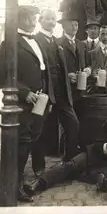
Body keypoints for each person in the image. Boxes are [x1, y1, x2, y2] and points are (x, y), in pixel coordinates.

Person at [24, 96, 107, 195]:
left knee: (105, 176)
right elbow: (98, 142)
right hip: (94, 154)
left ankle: (91, 177)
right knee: (70, 164)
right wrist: (106, 146)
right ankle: (39, 184)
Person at [0, 6, 52, 202]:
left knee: (32, 139)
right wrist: (24, 93)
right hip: (23, 103)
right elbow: (0, 75)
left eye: (35, 17)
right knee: (22, 143)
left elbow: (45, 72)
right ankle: (14, 186)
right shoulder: (10, 43)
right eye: (29, 17)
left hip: (40, 102)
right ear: (19, 19)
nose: (34, 20)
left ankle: (18, 182)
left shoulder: (37, 41)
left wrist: (48, 97)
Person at [34, 9, 80, 173]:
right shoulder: (35, 40)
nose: (52, 22)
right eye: (48, 19)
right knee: (40, 129)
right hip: (46, 92)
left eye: (54, 19)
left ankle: (69, 161)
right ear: (40, 20)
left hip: (61, 92)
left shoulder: (56, 41)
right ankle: (39, 167)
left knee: (73, 125)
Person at [58, 11, 89, 107]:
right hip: (65, 89)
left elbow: (88, 63)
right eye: (71, 25)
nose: (74, 27)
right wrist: (66, 76)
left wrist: (88, 70)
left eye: (76, 25)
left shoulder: (81, 44)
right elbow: (55, 66)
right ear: (63, 26)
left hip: (81, 88)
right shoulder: (57, 43)